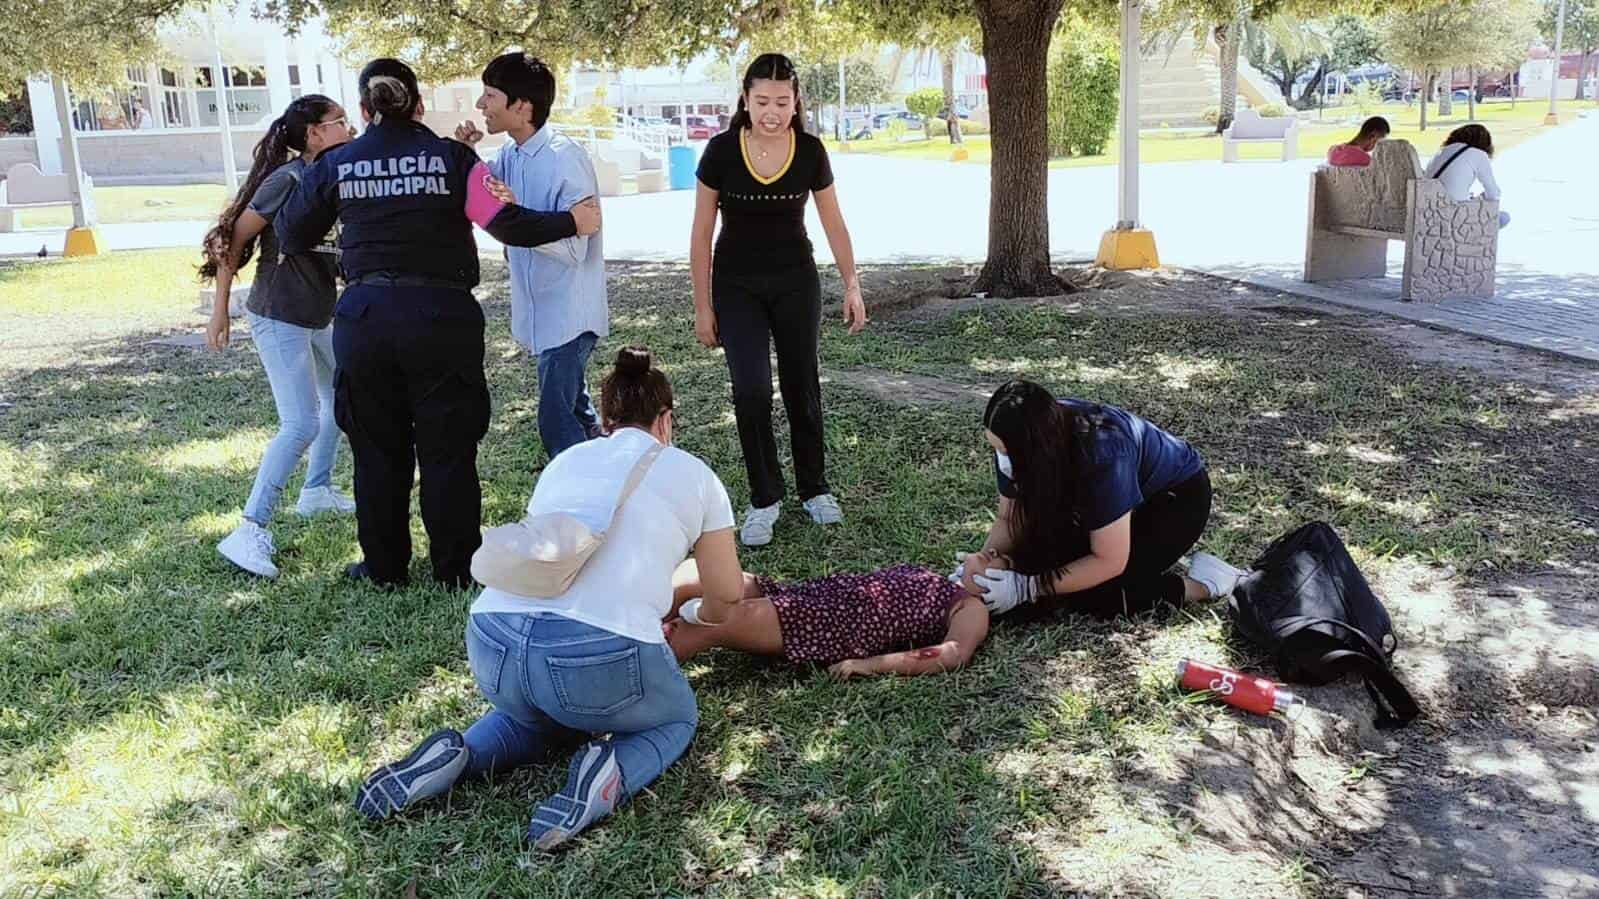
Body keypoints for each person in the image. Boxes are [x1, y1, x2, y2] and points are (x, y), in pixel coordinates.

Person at [354, 347, 746, 850]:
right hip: (595, 654)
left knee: (535, 718)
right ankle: (610, 774)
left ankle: (462, 756)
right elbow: (727, 593)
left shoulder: (566, 462)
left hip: (494, 639)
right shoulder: (696, 475)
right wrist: (701, 615)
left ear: (606, 421)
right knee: (676, 718)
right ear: (666, 420)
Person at [275, 58, 601, 590]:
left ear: (364, 109)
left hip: (366, 319)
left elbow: (291, 233)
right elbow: (507, 224)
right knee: (448, 448)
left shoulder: (339, 163)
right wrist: (572, 221)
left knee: (376, 450)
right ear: (420, 104)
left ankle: (384, 568)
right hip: (441, 319)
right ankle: (455, 568)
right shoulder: (455, 159)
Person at [690, 52, 868, 548]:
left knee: (801, 387)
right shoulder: (722, 152)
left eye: (782, 102)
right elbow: (702, 232)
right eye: (762, 100)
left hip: (795, 282)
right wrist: (703, 306)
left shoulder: (810, 151)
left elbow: (833, 221)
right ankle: (764, 498)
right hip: (736, 286)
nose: (771, 111)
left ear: (796, 104)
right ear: (745, 100)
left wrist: (851, 283)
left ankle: (814, 489)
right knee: (750, 391)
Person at [201, 94, 357, 578]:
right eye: (340, 122)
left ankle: (316, 490)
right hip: (278, 314)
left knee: (343, 395)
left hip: (317, 313)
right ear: (314, 134)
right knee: (300, 423)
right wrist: (219, 310)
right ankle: (249, 529)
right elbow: (232, 236)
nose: (349, 128)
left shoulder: (333, 178)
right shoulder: (286, 180)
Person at [955, 380, 1245, 619]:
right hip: (1114, 498)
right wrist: (976, 573)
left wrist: (1027, 587)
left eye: (1006, 453)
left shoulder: (1103, 452)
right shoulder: (1017, 440)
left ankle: (1207, 584)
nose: (1001, 460)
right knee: (1043, 557)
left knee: (1096, 593)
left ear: (1035, 449)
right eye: (996, 450)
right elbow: (1010, 518)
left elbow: (1108, 561)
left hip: (1174, 499)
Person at [454, 54, 608, 460]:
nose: (480, 105)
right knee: (577, 409)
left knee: (556, 421)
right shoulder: (510, 154)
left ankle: (576, 502)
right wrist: (466, 153)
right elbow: (490, 195)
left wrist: (523, 222)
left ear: (522, 107)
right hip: (541, 312)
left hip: (569, 315)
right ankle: (611, 470)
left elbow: (578, 245)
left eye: (489, 95)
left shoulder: (565, 158)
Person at [664, 561, 989, 679]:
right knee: (697, 574)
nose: (991, 552)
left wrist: (870, 664)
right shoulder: (945, 583)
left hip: (830, 624)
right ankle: (625, 629)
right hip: (810, 597)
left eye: (998, 559)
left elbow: (953, 653)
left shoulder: (971, 606)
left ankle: (629, 670)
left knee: (709, 623)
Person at [1424, 124, 1509, 228]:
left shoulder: (1441, 152)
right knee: (1504, 217)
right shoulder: (1479, 154)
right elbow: (1494, 193)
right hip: (1454, 216)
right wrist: (1480, 198)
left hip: (1429, 213)